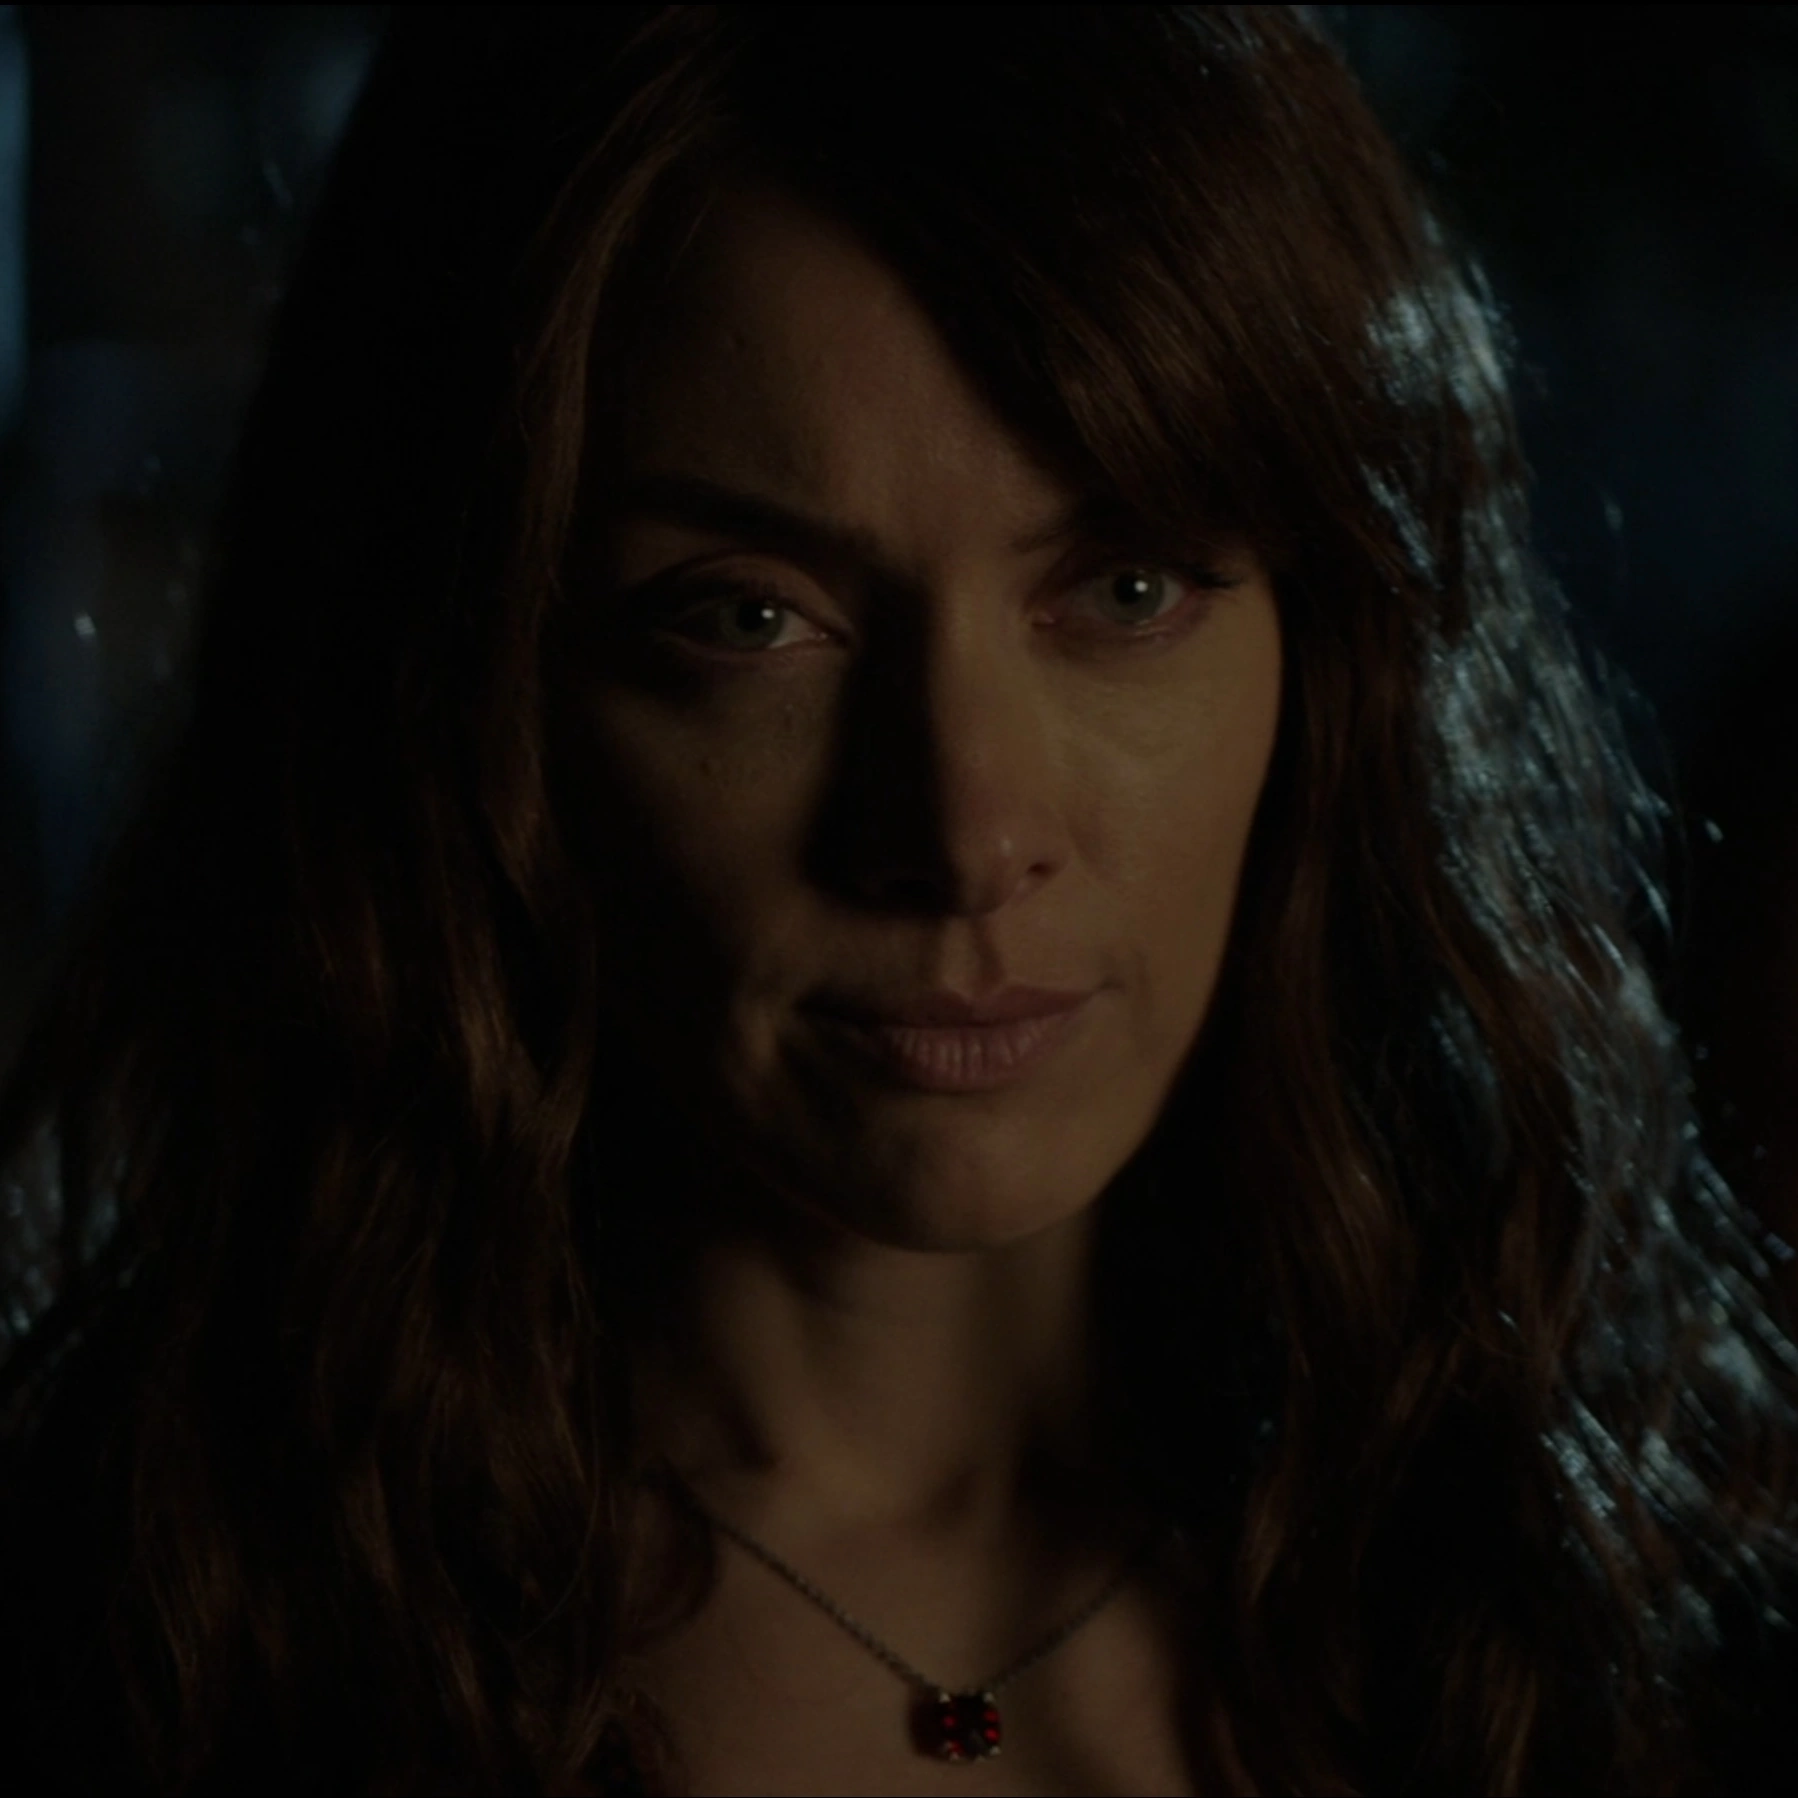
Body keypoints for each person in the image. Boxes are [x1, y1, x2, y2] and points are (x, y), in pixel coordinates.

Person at [1, 7, 1793, 1793]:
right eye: (746, 616)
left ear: (1332, 658)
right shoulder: (161, 1644)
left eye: (1126, 587)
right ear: (473, 684)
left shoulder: (1588, 1611)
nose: (962, 830)